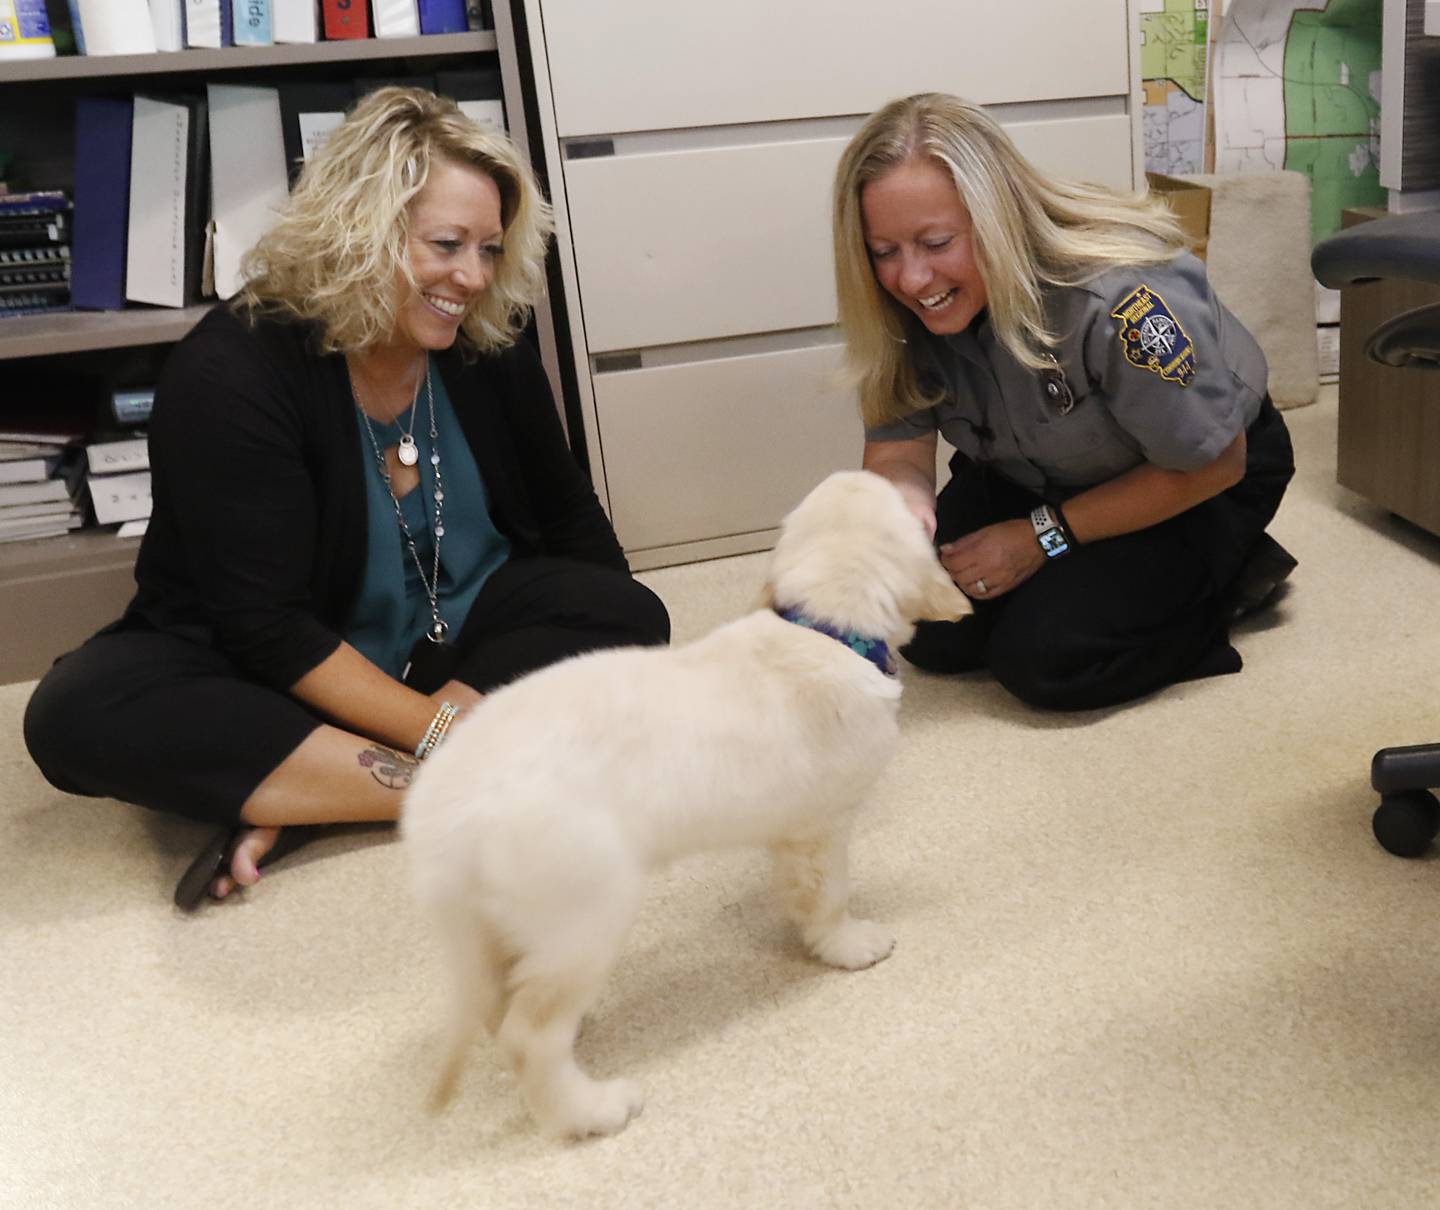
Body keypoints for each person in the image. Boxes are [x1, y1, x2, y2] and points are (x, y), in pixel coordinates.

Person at [24, 87, 670, 908]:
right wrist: (447, 736)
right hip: (281, 660)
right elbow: (264, 629)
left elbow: (572, 521)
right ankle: (470, 785)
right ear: (360, 228)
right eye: (446, 244)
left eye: (489, 248)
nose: (472, 277)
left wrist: (625, 640)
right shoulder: (233, 373)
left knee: (625, 612)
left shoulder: (485, 340)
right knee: (76, 712)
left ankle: (305, 789)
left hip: (453, 634)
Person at [831, 93, 1297, 711]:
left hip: (1191, 475)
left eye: (937, 242)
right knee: (928, 632)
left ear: (999, 218)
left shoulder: (1120, 296)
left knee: (1046, 660)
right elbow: (898, 449)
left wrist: (1039, 539)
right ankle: (1080, 578)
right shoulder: (899, 307)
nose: (911, 280)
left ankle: (1232, 576)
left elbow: (1216, 461)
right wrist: (904, 514)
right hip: (1033, 468)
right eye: (884, 252)